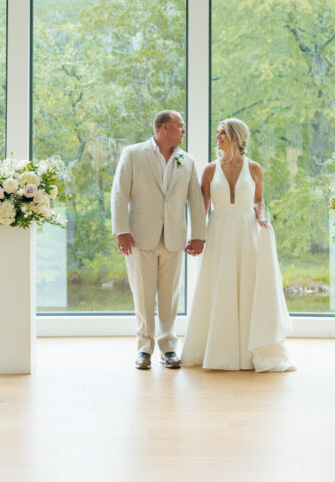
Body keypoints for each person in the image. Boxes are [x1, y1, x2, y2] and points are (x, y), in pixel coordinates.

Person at [180, 118, 294, 372]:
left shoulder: (254, 169)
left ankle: (247, 350)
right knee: (218, 283)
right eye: (217, 132)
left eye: (223, 133)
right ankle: (217, 349)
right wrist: (197, 236)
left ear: (236, 137)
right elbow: (201, 208)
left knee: (247, 284)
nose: (218, 136)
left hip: (247, 230)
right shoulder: (210, 170)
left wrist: (261, 217)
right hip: (219, 230)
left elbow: (259, 201)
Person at [111, 110, 207, 370]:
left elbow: (196, 202)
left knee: (170, 297)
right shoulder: (132, 154)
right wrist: (121, 230)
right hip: (139, 237)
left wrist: (199, 235)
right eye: (180, 126)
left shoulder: (187, 160)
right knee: (142, 296)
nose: (183, 130)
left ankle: (168, 349)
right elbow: (119, 194)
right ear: (164, 128)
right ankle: (144, 349)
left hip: (175, 238)